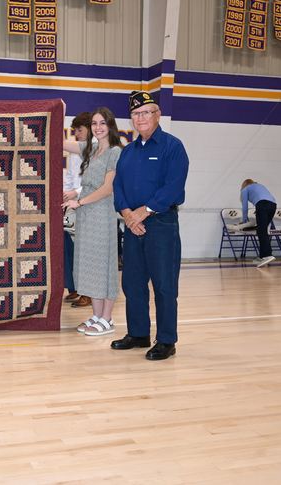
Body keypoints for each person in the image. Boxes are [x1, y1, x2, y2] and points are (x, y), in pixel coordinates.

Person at [111, 91, 189, 360]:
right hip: (133, 226)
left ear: (157, 115)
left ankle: (167, 340)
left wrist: (142, 213)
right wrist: (127, 214)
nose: (140, 118)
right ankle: (139, 333)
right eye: (135, 114)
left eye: (146, 112)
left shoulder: (172, 147)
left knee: (164, 285)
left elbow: (173, 186)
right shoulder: (128, 152)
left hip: (161, 224)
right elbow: (118, 186)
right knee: (132, 284)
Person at [62, 107, 124, 336]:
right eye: (94, 124)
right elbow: (62, 144)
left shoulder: (115, 152)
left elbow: (108, 188)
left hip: (101, 213)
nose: (98, 128)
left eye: (102, 124)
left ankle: (107, 319)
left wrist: (80, 201)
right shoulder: (93, 148)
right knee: (89, 266)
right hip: (87, 213)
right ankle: (97, 316)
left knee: (103, 266)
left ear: (110, 126)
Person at [62, 112, 93, 308]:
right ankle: (74, 287)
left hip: (91, 204)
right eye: (75, 131)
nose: (77, 134)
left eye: (80, 130)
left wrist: (75, 192)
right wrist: (64, 195)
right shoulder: (75, 152)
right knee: (71, 248)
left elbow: (97, 183)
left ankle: (89, 292)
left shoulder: (100, 150)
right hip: (73, 204)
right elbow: (71, 177)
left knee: (86, 251)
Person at [240, 178, 277, 268]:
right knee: (262, 230)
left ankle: (267, 255)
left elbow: (245, 206)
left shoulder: (245, 189)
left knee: (261, 231)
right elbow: (269, 198)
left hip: (262, 205)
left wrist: (244, 220)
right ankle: (262, 256)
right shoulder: (260, 185)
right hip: (273, 205)